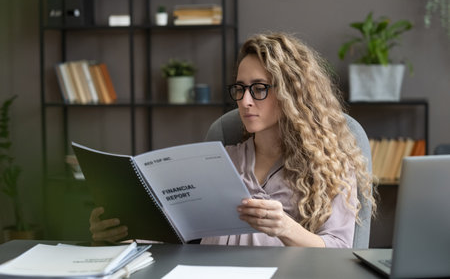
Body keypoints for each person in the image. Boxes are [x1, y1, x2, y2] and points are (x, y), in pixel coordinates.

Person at [89, 32, 376, 248]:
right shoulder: (221, 159)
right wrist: (120, 231)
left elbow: (341, 251)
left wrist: (286, 228)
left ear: (292, 93)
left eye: (259, 88)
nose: (245, 101)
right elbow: (179, 238)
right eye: (240, 88)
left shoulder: (329, 166)